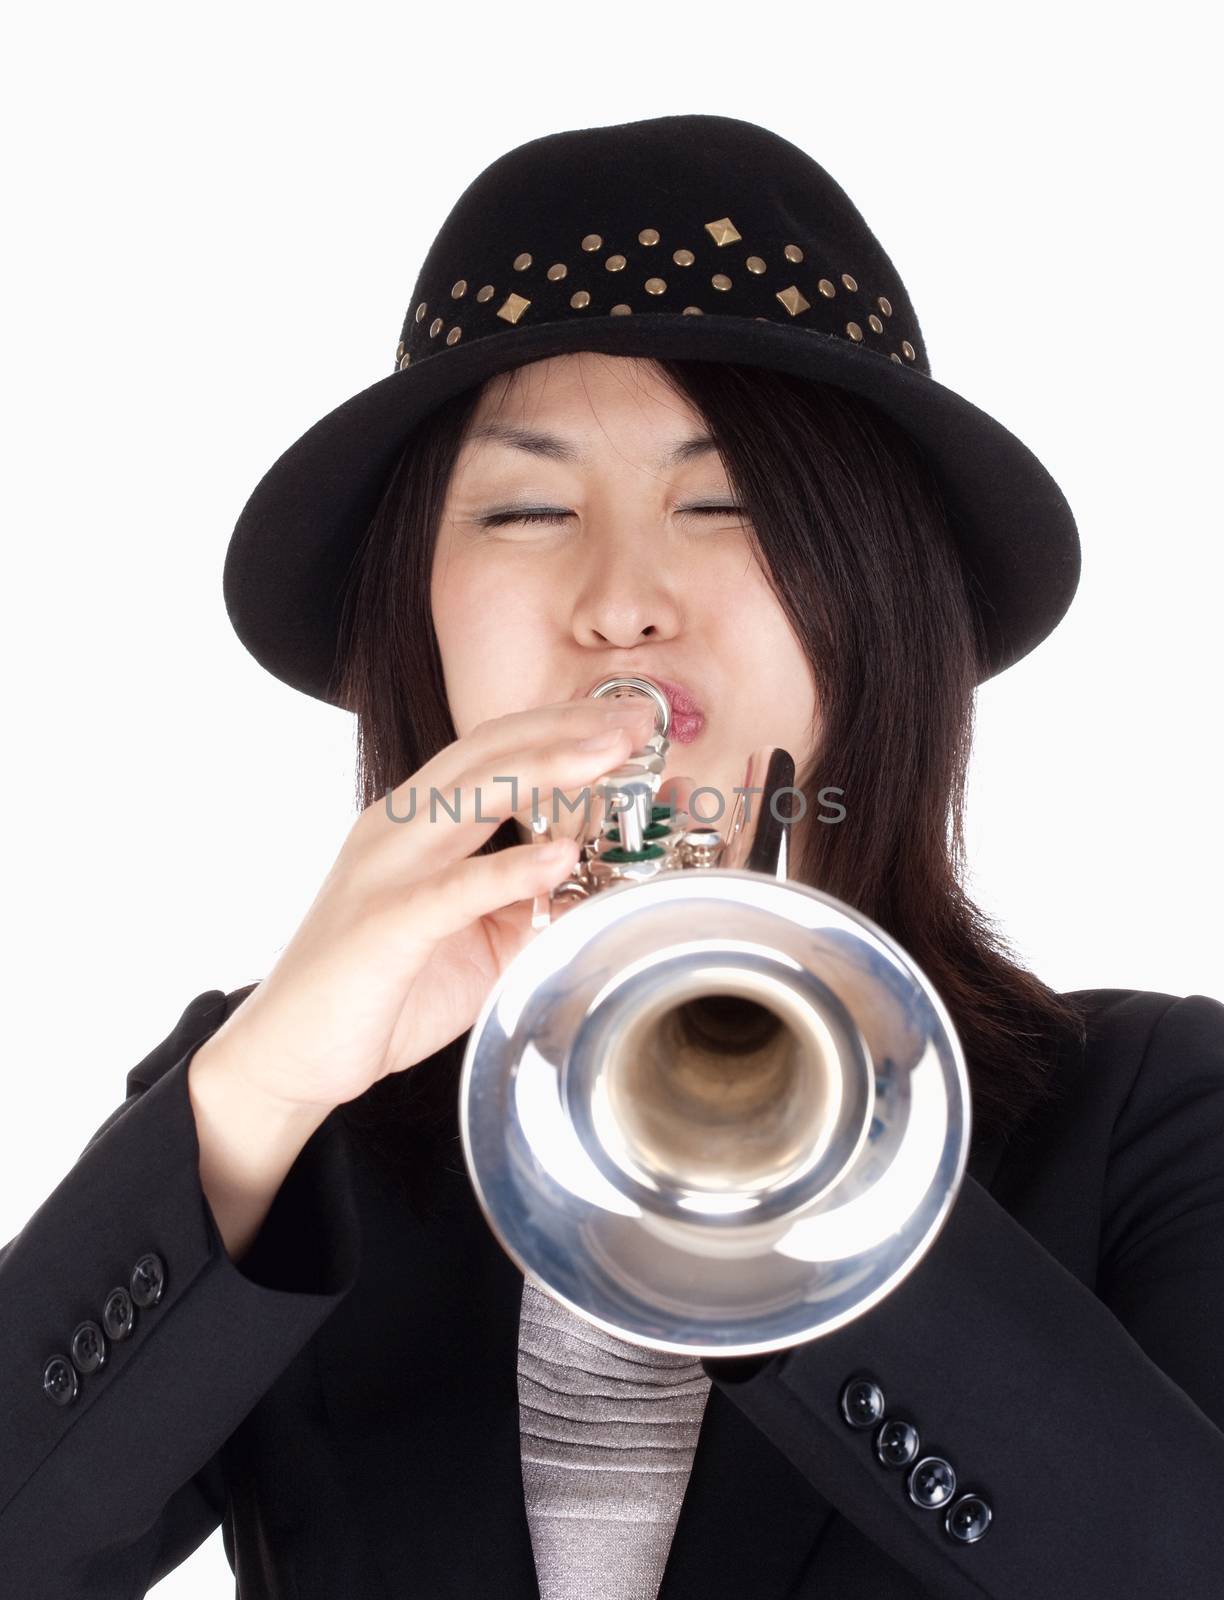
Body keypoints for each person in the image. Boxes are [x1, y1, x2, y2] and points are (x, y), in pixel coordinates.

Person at [1, 112, 1221, 1600]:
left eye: (732, 504)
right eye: (525, 508)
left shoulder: (1157, 1112)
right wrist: (259, 1094)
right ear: (420, 616)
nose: (623, 601)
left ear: (883, 591)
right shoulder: (271, 1114)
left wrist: (784, 1165)